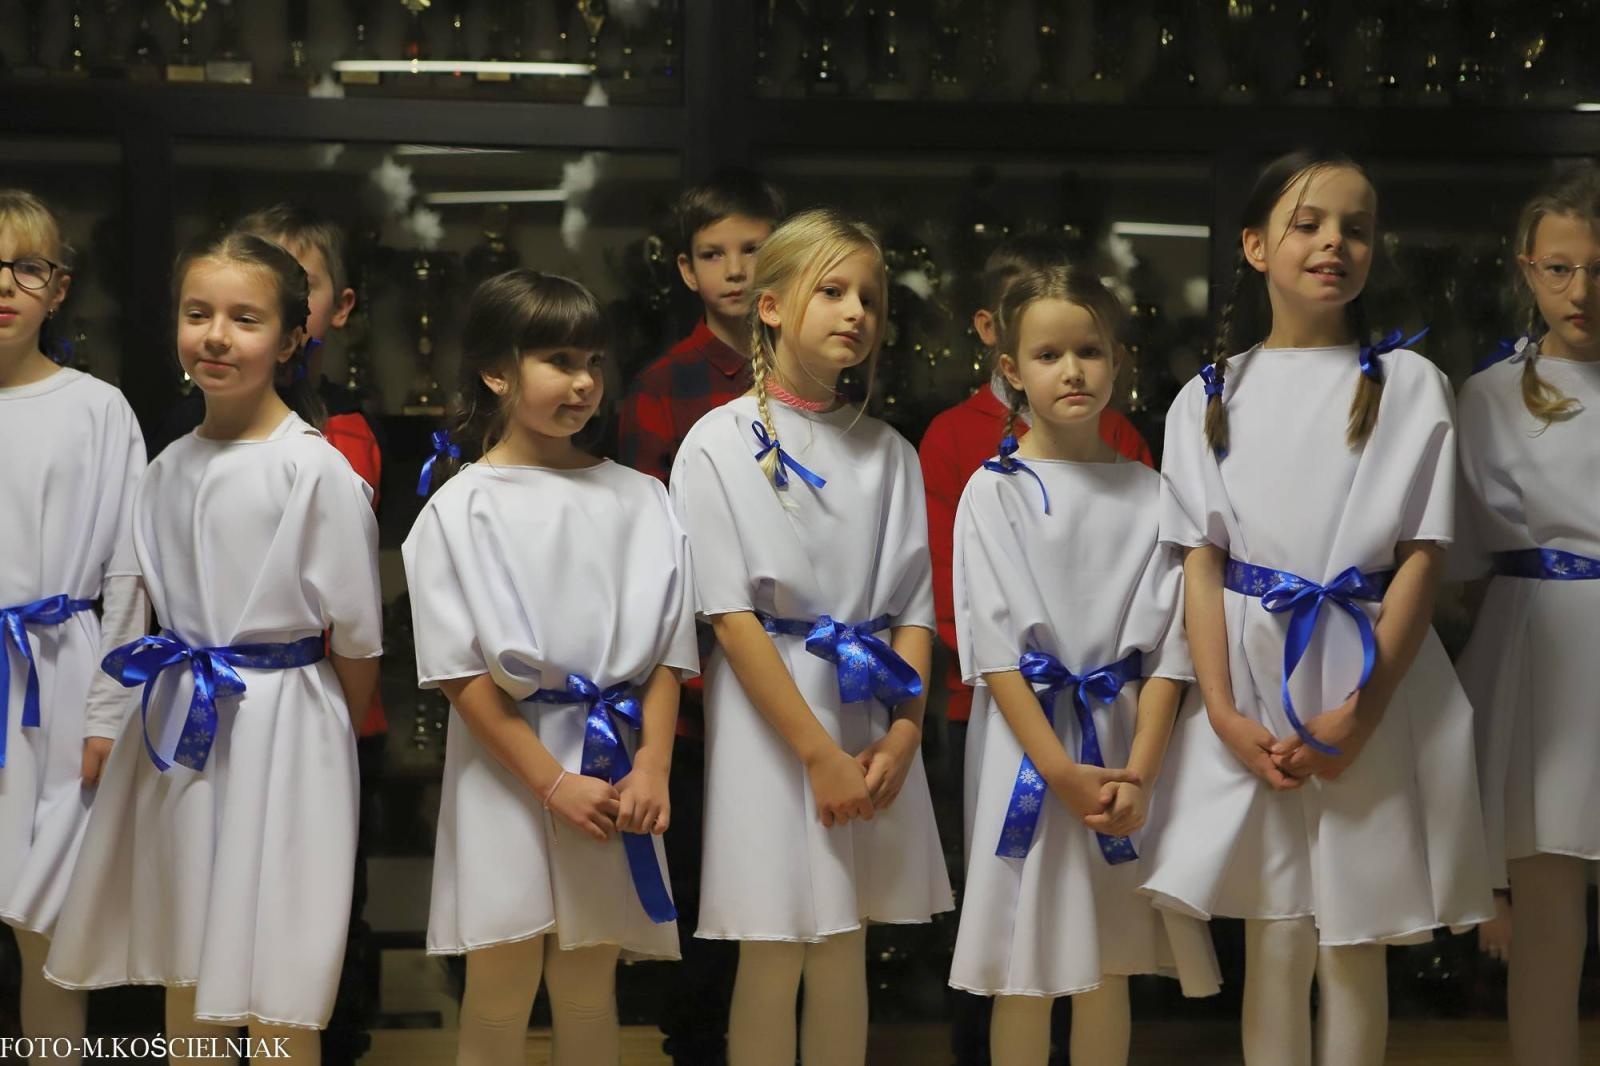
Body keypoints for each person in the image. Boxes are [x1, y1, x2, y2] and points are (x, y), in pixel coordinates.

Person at [1138, 149, 1493, 1066]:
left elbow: (1422, 554)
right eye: (1309, 224)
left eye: (1356, 228)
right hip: (1252, 682)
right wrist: (1222, 711)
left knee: (1355, 935)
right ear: (1256, 246)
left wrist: (1360, 713)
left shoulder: (1409, 383)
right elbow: (1201, 566)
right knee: (1276, 931)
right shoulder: (1207, 395)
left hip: (1370, 672)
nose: (1335, 242)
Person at [46, 231, 384, 1063]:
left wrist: (328, 735)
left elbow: (357, 637)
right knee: (188, 955)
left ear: (292, 338)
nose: (217, 337)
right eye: (198, 314)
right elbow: (143, 606)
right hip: (179, 722)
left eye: (245, 319)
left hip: (287, 725)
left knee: (279, 965)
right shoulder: (166, 468)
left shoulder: (314, 469)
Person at [670, 208, 953, 1066]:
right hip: (774, 721)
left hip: (870, 712)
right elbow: (731, 616)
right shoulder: (717, 443)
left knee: (844, 948)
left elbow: (913, 609)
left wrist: (904, 734)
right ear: (770, 306)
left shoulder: (889, 451)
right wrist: (818, 755)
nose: (855, 311)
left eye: (868, 297)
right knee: (773, 946)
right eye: (831, 291)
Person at [404, 270, 696, 1066]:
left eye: (593, 362)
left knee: (589, 984)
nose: (584, 382)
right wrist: (551, 782)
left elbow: (667, 654)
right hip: (507, 767)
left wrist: (653, 765)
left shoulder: (640, 497)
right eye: (559, 361)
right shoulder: (459, 507)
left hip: (613, 766)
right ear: (496, 372)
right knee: (500, 986)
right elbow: (462, 677)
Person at [949, 261, 1218, 1066]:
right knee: (1026, 964)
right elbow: (995, 653)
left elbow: (1171, 652)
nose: (1072, 371)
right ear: (1011, 370)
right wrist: (1060, 771)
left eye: (1090, 352)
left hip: (1126, 745)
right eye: (1049, 355)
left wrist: (1141, 772)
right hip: (1027, 749)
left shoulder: (1151, 491)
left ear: (1117, 360)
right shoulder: (992, 491)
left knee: (1110, 959)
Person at [618, 167, 784, 1066]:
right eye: (714, 255)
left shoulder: (818, 377)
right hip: (697, 675)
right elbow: (650, 544)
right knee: (697, 892)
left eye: (753, 250)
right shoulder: (664, 384)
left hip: (800, 664)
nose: (736, 270)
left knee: (784, 894)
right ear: (686, 271)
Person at [1454, 163, 1600, 1066]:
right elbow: (1467, 559)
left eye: (1599, 268)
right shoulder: (1490, 395)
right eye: (1560, 268)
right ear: (1527, 268)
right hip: (1538, 654)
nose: (1581, 290)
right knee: (1546, 917)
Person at [0, 189, 147, 1066]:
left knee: (49, 930)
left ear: (58, 288)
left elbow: (128, 575)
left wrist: (107, 710)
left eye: (26, 268)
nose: (3, 287)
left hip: (57, 677)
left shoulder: (97, 408)